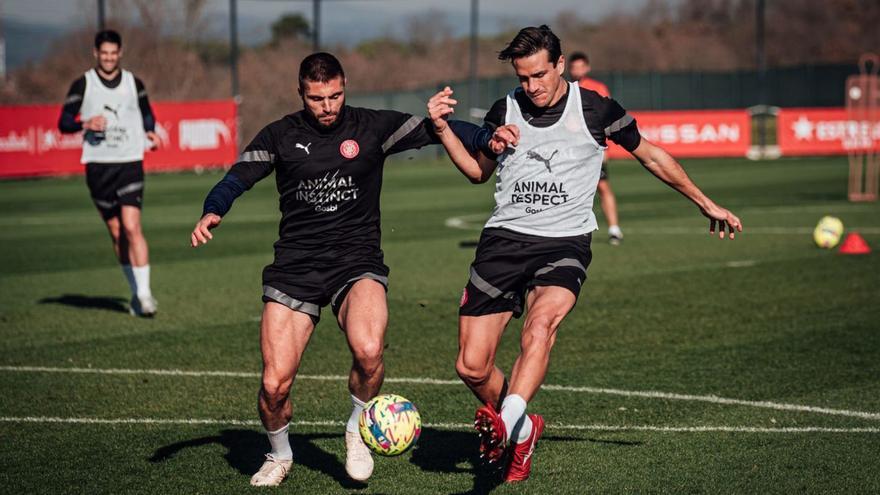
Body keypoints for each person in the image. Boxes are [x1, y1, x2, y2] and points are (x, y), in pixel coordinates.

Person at [427, 25, 742, 483]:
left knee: (540, 328)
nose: (531, 86)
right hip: (503, 242)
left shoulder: (595, 108)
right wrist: (441, 128)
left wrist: (704, 200)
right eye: (523, 77)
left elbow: (651, 155)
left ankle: (509, 418)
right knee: (471, 366)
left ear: (559, 65)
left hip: (564, 244)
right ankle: (520, 428)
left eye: (539, 75)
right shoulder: (506, 108)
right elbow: (478, 172)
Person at [190, 52, 483, 487]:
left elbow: (439, 131)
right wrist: (213, 209)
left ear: (345, 86)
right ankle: (280, 453)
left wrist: (491, 136)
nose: (327, 106)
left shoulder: (372, 126)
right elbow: (238, 177)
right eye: (316, 98)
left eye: (335, 95)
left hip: (355, 261)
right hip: (295, 268)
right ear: (301, 93)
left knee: (368, 351)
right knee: (274, 385)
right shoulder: (280, 134)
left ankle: (356, 430)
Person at [59, 29, 161, 317]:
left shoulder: (133, 82)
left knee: (132, 226)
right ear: (96, 53)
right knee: (117, 233)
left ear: (120, 53)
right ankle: (134, 293)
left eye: (113, 53)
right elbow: (64, 122)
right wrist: (85, 122)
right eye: (103, 53)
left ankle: (145, 295)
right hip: (97, 167)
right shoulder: (83, 84)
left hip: (129, 161)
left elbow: (146, 112)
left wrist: (150, 131)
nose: (108, 58)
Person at [568, 51, 623, 245]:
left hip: (592, 148)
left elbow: (605, 118)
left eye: (581, 66)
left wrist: (605, 149)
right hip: (571, 150)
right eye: (574, 67)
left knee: (602, 186)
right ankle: (572, 230)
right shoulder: (565, 88)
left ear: (587, 68)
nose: (577, 70)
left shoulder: (597, 88)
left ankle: (614, 229)